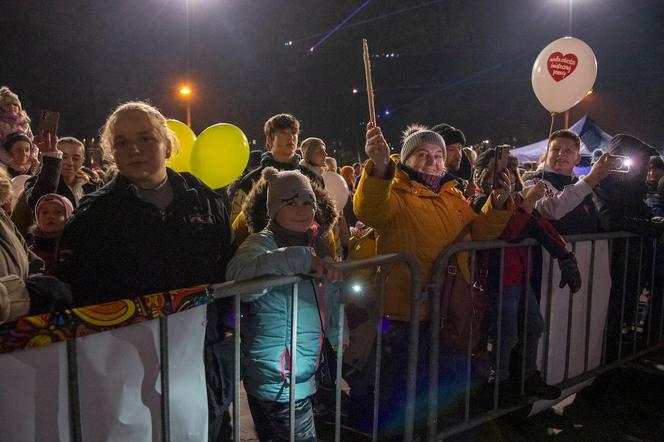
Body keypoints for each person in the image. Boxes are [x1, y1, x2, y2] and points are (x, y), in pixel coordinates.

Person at [56, 101, 235, 442]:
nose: (134, 149)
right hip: (127, 363)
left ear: (167, 145)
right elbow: (78, 289)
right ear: (111, 152)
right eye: (121, 142)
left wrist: (224, 325)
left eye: (146, 138)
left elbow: (227, 266)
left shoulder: (206, 200)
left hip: (200, 355)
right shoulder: (94, 215)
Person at [353, 122, 514, 437]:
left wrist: (497, 204)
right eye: (423, 155)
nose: (433, 161)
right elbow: (370, 210)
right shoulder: (395, 192)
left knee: (440, 389)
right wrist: (381, 166)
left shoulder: (452, 196)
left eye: (439, 155)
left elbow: (479, 233)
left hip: (448, 312)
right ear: (407, 160)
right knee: (400, 392)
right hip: (405, 314)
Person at [226, 167, 342, 442]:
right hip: (276, 379)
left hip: (300, 371)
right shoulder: (259, 243)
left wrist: (339, 336)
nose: (302, 210)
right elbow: (238, 278)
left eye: (307, 202)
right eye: (291, 203)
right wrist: (297, 259)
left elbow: (329, 298)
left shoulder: (315, 243)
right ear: (273, 208)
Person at [471, 148, 581, 405]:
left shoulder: (519, 200)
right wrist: (530, 201)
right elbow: (511, 233)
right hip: (498, 280)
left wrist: (565, 257)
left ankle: (527, 376)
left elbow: (542, 228)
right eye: (497, 170)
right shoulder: (480, 202)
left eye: (509, 169)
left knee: (533, 326)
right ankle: (499, 381)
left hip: (520, 278)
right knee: (505, 333)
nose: (503, 176)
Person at [230, 114, 322, 225]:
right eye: (283, 132)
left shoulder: (311, 177)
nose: (290, 137)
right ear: (269, 139)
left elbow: (324, 220)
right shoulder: (252, 180)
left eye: (293, 132)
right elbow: (238, 226)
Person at [523, 129, 612, 235]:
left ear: (577, 158)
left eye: (568, 151)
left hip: (587, 250)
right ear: (546, 154)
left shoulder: (582, 183)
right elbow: (550, 211)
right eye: (556, 149)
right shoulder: (533, 182)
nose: (561, 154)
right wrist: (590, 180)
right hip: (551, 251)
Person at [12, 136, 102, 238]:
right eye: (64, 157)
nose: (70, 163)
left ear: (82, 161)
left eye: (76, 158)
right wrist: (51, 160)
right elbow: (37, 200)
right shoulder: (37, 182)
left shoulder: (94, 184)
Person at [29, 193, 73, 275]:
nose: (51, 216)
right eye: (45, 213)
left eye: (58, 212)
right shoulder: (31, 254)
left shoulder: (75, 249)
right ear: (38, 219)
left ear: (68, 217)